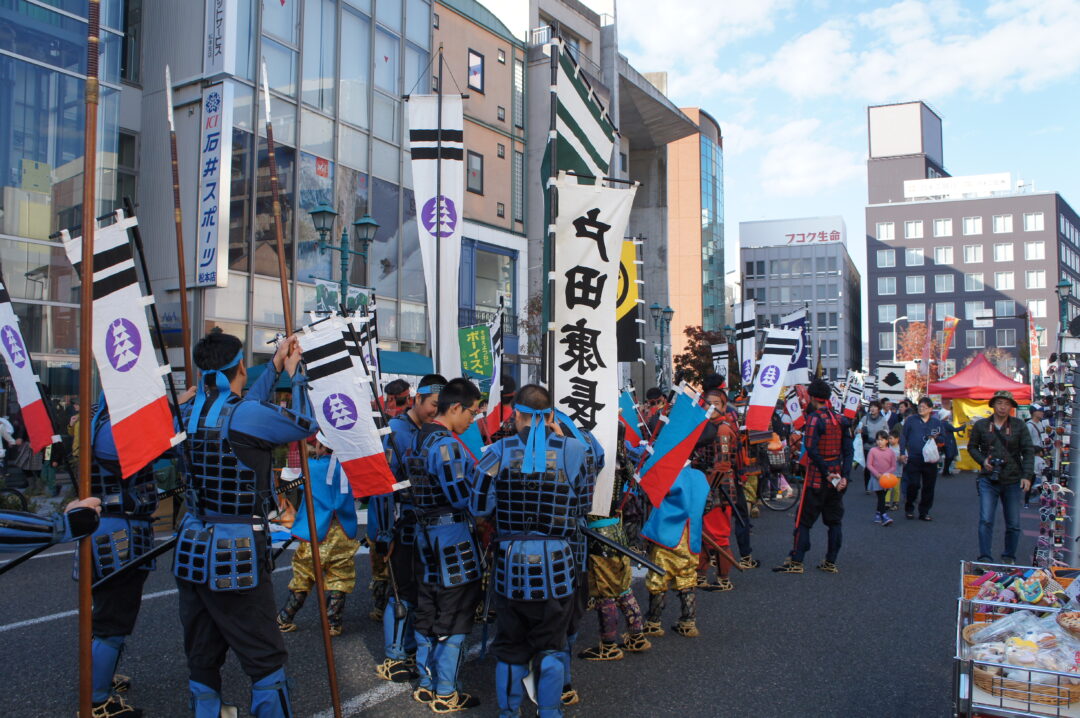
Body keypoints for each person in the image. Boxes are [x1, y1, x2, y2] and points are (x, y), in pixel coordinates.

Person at [176, 330, 313, 717]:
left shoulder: (189, 411)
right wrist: (295, 374)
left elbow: (245, 405)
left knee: (202, 653)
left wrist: (273, 366)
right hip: (235, 552)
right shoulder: (246, 415)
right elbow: (304, 424)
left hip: (192, 544)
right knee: (265, 657)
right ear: (239, 366)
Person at [471, 384, 590, 718]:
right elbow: (583, 506)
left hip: (511, 565)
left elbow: (479, 506)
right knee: (552, 644)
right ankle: (549, 712)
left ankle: (510, 713)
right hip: (558, 565)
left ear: (515, 414)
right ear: (551, 415)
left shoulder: (496, 452)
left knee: (510, 646)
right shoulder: (576, 451)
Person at [82, 394, 188, 718]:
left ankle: (103, 677)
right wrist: (171, 413)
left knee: (116, 615)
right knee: (112, 618)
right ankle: (97, 700)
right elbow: (131, 450)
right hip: (114, 532)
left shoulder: (109, 422)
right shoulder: (108, 428)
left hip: (126, 529)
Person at [411, 378, 484, 712]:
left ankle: (425, 684)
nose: (473, 419)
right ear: (455, 407)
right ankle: (446, 692)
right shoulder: (447, 445)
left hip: (423, 535)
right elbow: (463, 498)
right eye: (472, 412)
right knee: (454, 615)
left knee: (427, 610)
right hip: (452, 539)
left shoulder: (420, 436)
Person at [370, 373, 446, 682]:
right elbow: (382, 486)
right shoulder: (394, 431)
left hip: (427, 525)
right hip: (403, 522)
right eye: (432, 405)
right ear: (417, 399)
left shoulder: (431, 431)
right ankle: (393, 655)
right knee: (400, 591)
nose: (435, 411)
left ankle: (412, 647)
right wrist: (383, 532)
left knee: (420, 589)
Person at [277, 433, 362, 637]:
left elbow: (286, 477)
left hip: (316, 532)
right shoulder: (350, 468)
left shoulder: (310, 467)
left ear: (322, 446)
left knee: (303, 576)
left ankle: (285, 618)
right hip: (342, 530)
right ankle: (333, 623)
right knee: (340, 578)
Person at [578, 422, 650, 661]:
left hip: (599, 534)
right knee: (623, 586)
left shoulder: (593, 464)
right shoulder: (623, 462)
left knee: (604, 592)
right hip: (617, 530)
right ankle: (637, 634)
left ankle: (609, 644)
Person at [774, 377, 852, 574]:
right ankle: (830, 561)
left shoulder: (814, 419)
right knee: (834, 521)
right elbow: (849, 451)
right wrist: (844, 476)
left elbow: (811, 448)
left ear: (812, 398)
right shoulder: (841, 419)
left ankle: (797, 561)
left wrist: (825, 472)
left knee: (804, 521)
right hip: (837, 474)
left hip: (818, 476)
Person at [641, 464, 710, 637]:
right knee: (687, 578)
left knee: (658, 578)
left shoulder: (668, 474)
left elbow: (651, 496)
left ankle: (653, 622)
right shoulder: (700, 476)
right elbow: (708, 504)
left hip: (667, 533)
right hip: (691, 534)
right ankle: (688, 622)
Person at [967, 390, 1035, 564]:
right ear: (993, 404)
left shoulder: (1019, 425)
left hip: (1012, 478)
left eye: (1006, 404)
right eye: (999, 403)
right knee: (986, 519)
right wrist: (983, 461)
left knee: (1013, 523)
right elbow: (972, 447)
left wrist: (1027, 476)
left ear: (1011, 407)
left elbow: (1028, 451)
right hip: (988, 478)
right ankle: (985, 556)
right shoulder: (981, 425)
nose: (1003, 407)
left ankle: (1009, 556)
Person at [898, 397, 951, 521]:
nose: (921, 409)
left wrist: (936, 439)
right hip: (914, 458)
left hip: (930, 459)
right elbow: (903, 436)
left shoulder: (936, 422)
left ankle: (924, 511)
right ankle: (909, 507)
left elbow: (943, 439)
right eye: (920, 407)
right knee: (913, 484)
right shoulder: (911, 420)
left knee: (929, 486)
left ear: (930, 409)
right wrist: (902, 452)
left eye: (924, 407)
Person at [855, 401, 889, 492]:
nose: (872, 409)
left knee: (878, 467)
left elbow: (887, 433)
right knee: (868, 467)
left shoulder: (883, 420)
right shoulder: (865, 418)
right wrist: (859, 431)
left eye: (875, 407)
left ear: (879, 409)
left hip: (878, 447)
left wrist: (880, 438)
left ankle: (878, 485)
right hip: (867, 447)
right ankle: (867, 487)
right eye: (871, 407)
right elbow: (856, 430)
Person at [866, 430, 897, 526]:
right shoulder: (872, 451)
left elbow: (893, 466)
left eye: (882, 440)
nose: (880, 442)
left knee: (882, 496)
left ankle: (878, 514)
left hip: (887, 479)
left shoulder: (891, 452)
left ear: (887, 440)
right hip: (876, 478)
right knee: (881, 496)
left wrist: (885, 474)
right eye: (878, 440)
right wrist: (877, 474)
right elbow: (869, 465)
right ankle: (884, 515)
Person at [886, 428, 903, 510]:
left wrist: (901, 459)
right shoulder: (887, 448)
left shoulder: (901, 449)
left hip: (898, 471)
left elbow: (905, 459)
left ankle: (896, 502)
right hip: (888, 472)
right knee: (888, 487)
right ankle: (887, 502)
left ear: (897, 439)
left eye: (891, 438)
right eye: (889, 438)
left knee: (896, 489)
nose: (889, 440)